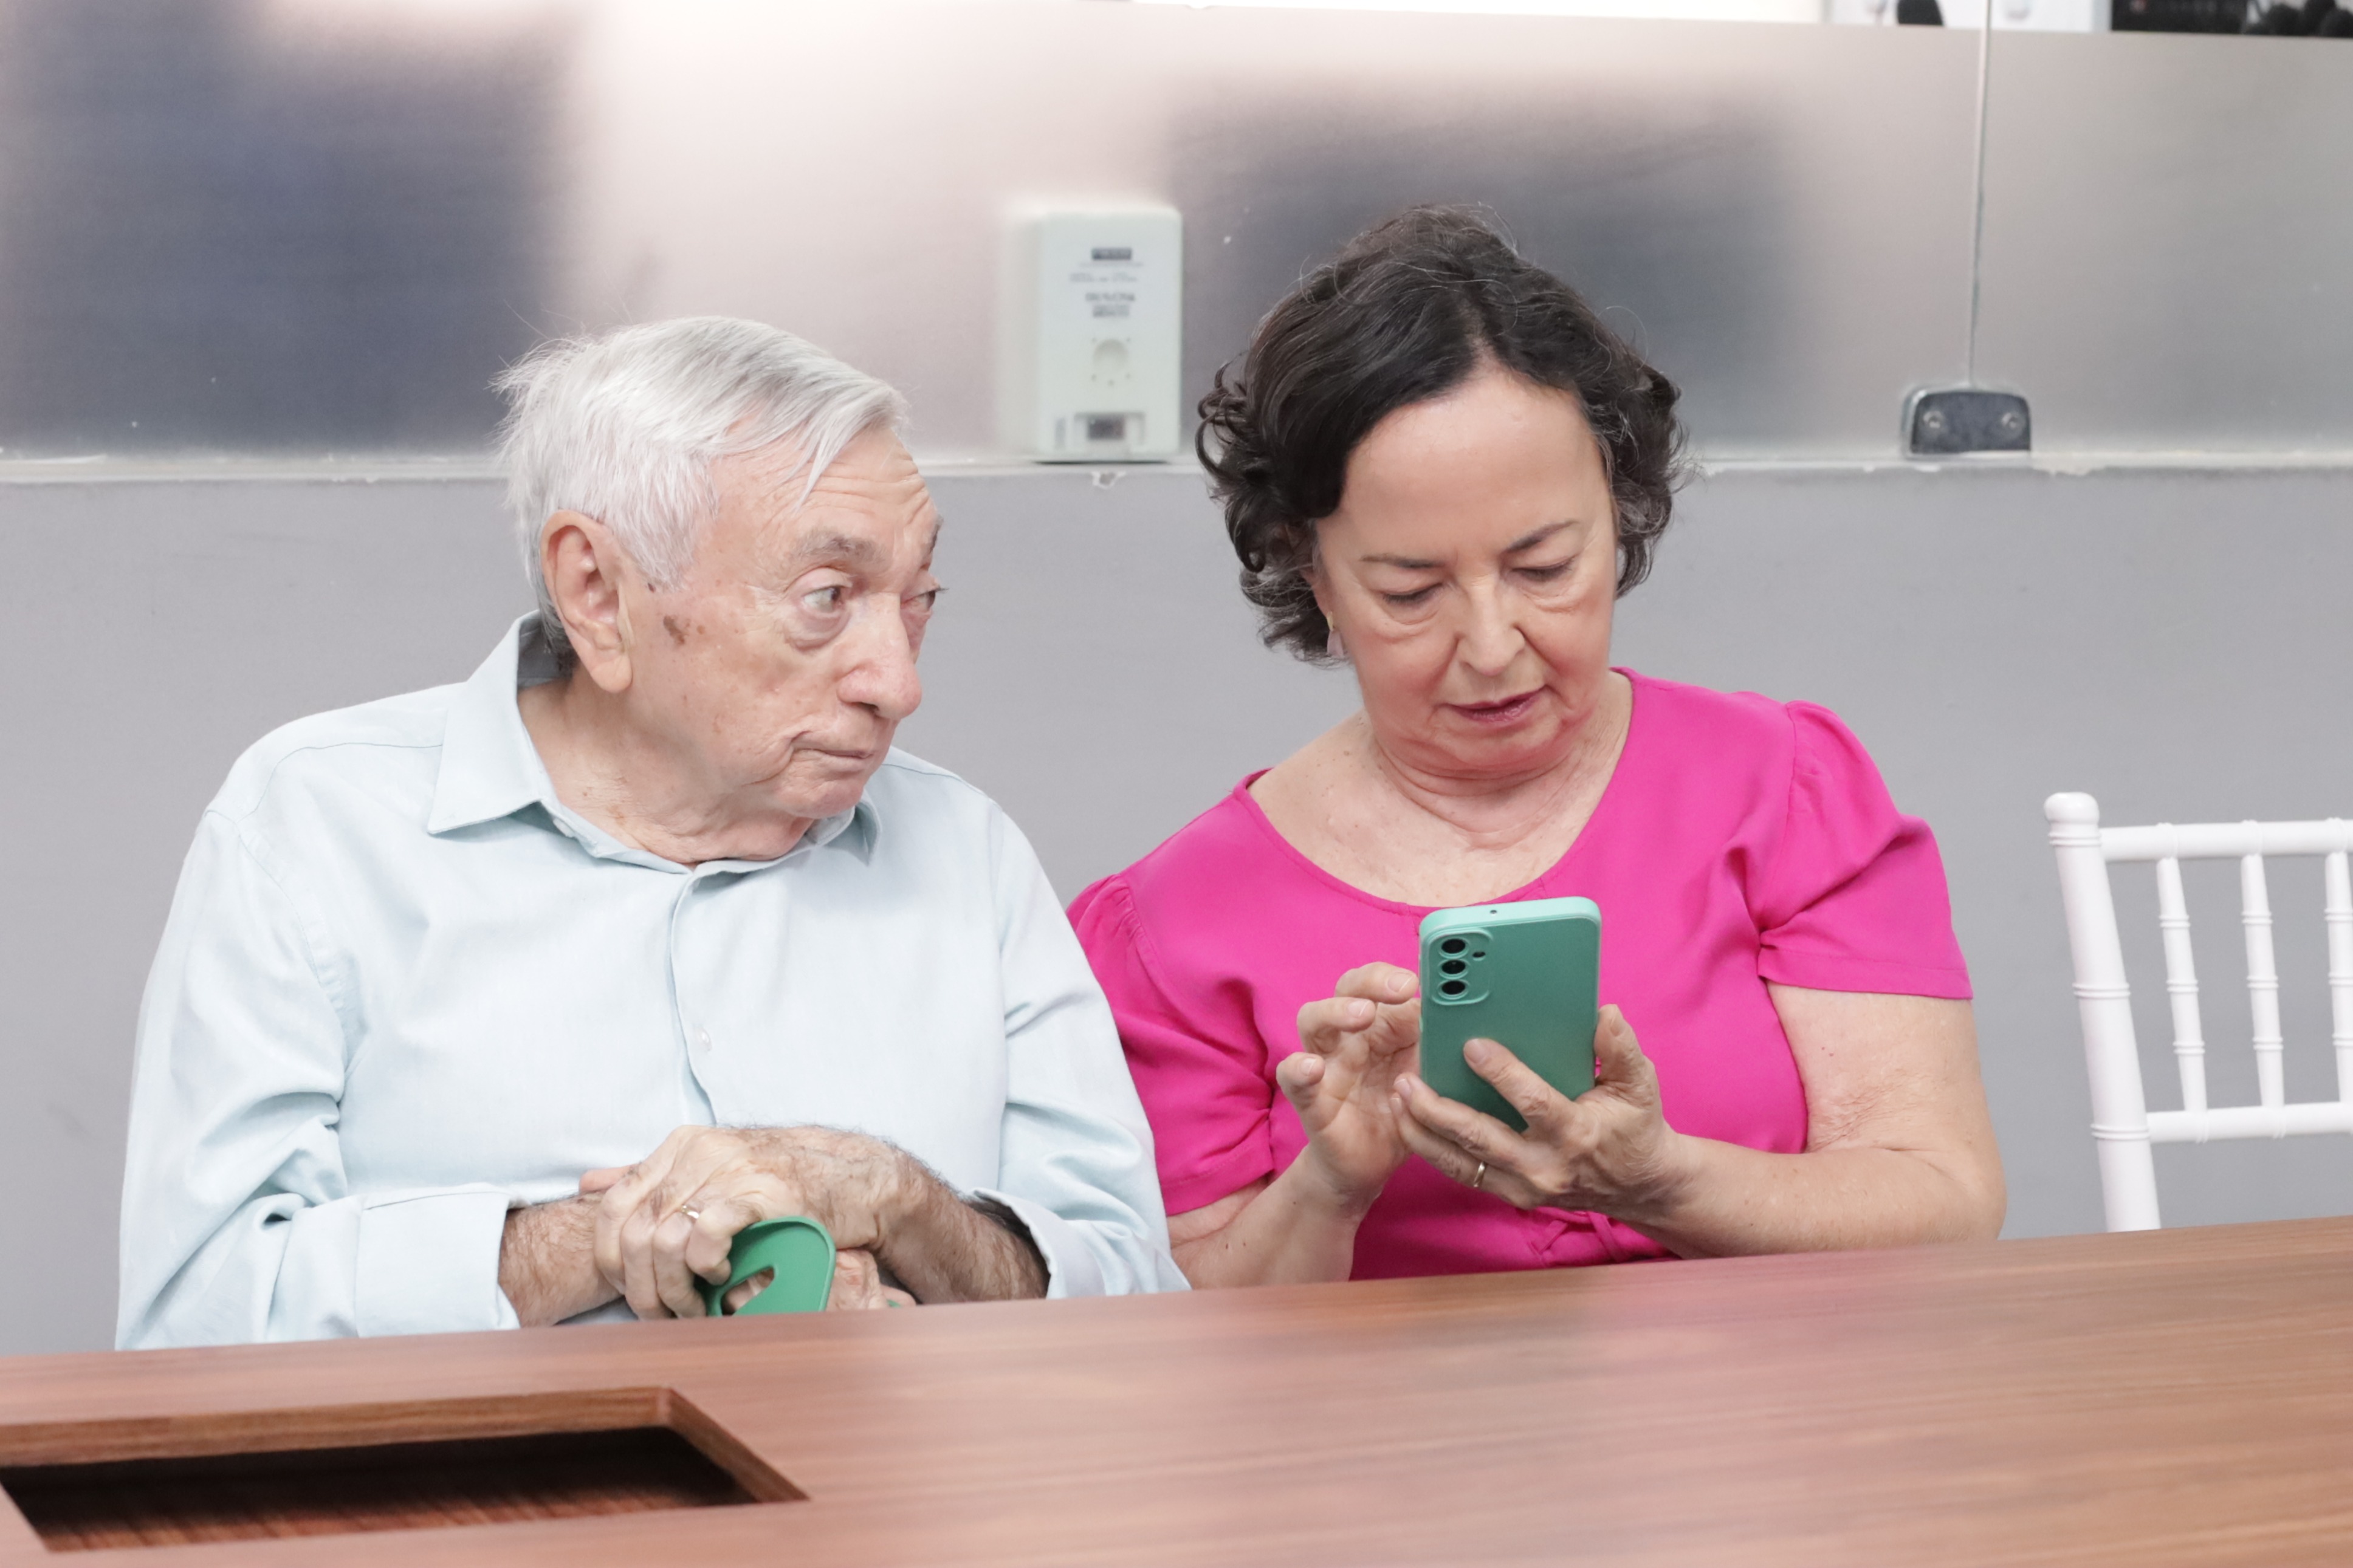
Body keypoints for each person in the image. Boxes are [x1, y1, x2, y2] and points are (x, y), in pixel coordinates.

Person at [119, 317, 1183, 1348]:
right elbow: (196, 1320)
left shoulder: (964, 848)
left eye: (919, 598)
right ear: (597, 592)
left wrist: (897, 1199)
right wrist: (604, 1241)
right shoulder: (319, 827)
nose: (898, 685)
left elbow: (1139, 1307)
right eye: (827, 597)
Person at [1071, 209, 2005, 1287]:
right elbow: (1175, 1324)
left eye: (1546, 567)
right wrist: (1329, 1186)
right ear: (1309, 569)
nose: (1492, 645)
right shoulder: (1175, 926)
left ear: (1619, 512)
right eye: (1411, 591)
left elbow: (1943, 1201)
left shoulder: (1785, 796)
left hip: (1777, 1395)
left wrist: (1660, 1181)